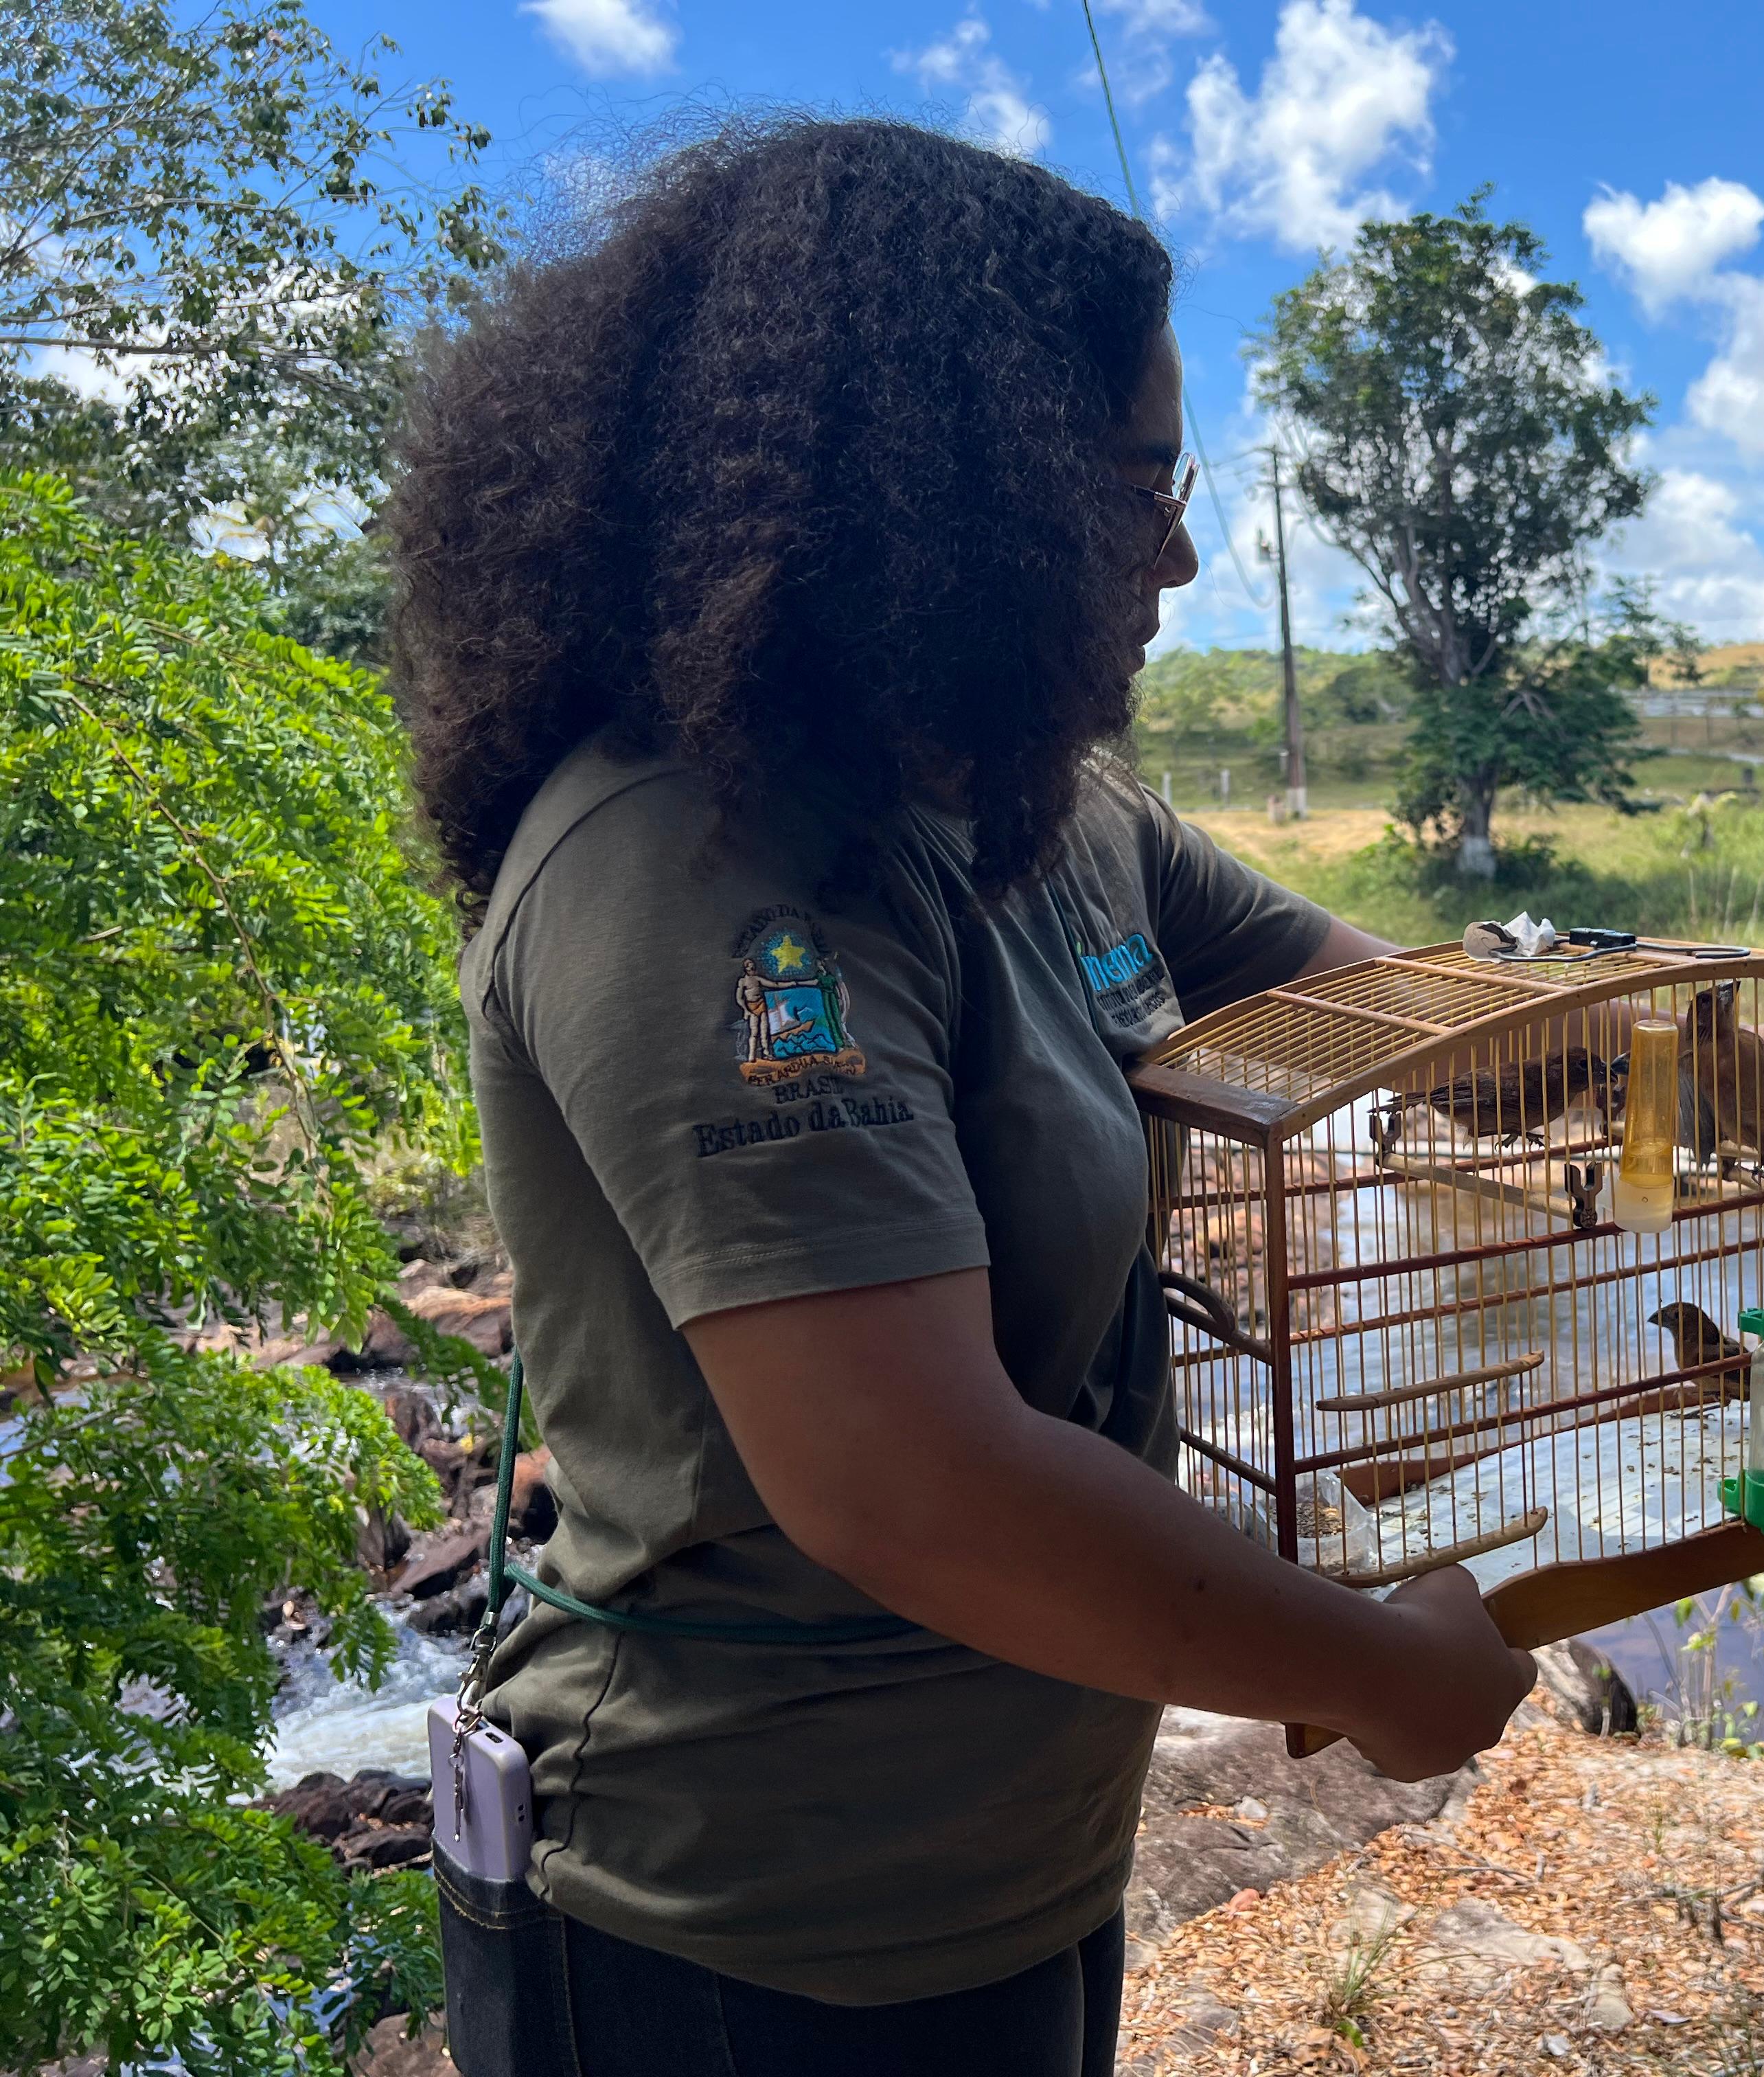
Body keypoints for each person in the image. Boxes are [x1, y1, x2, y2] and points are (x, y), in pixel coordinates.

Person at [387, 119, 1533, 2076]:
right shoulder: (703, 868)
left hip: (1009, 1876)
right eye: (1130, 489)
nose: (1179, 551)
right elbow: (911, 1484)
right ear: (934, 495)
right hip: (733, 1941)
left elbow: (1390, 1007)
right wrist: (1387, 1682)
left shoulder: (1046, 813)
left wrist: (1677, 1027)